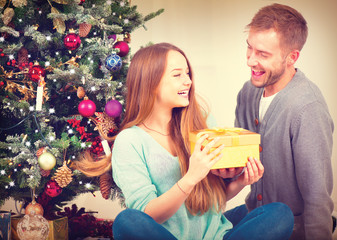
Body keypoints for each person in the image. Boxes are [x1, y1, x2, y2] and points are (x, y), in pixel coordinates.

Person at [77, 43, 294, 240]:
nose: (188, 81)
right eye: (177, 75)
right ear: (151, 82)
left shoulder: (201, 122)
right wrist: (191, 178)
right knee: (127, 221)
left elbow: (209, 205)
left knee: (279, 213)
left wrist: (239, 182)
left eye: (188, 73)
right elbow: (148, 216)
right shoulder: (130, 141)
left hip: (215, 234)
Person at [234, 4, 334, 239]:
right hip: (255, 215)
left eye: (263, 54)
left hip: (290, 229)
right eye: (249, 48)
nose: (250, 60)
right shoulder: (247, 93)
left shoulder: (307, 108)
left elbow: (317, 196)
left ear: (292, 57)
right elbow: (239, 160)